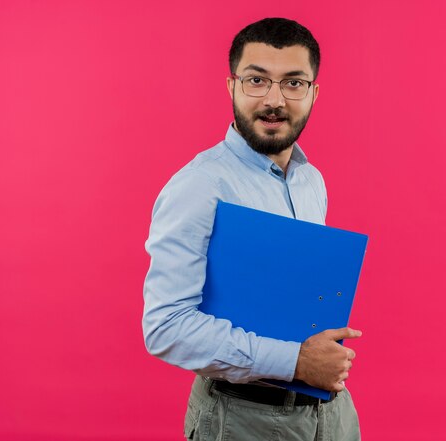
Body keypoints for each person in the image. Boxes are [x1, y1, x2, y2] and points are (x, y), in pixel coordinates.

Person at [143, 17, 362, 440]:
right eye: (257, 80)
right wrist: (295, 362)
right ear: (232, 87)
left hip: (331, 415)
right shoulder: (200, 186)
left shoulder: (310, 180)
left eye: (294, 83)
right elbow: (165, 326)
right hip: (244, 419)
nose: (274, 99)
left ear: (314, 93)